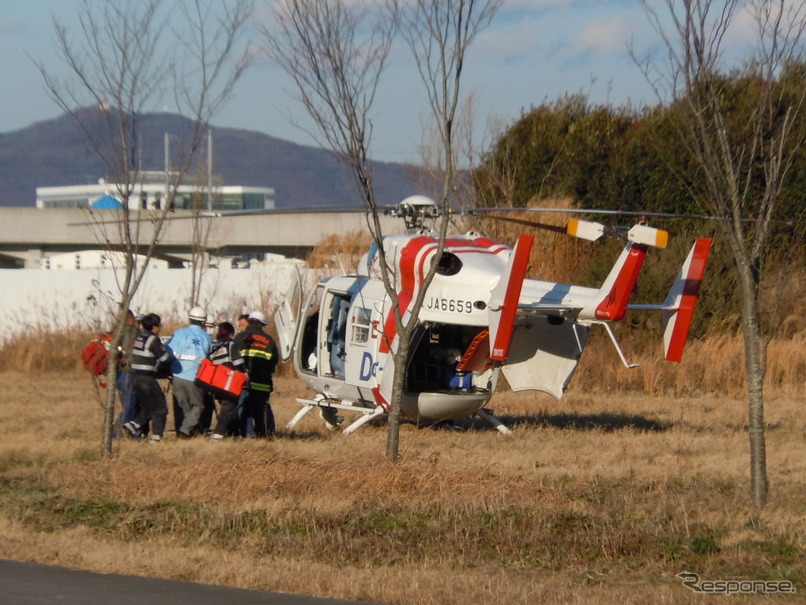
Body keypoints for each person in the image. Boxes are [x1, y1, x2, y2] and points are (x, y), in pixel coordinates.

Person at [123, 313, 172, 443]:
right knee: (161, 409)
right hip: (146, 378)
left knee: (148, 407)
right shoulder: (152, 339)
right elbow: (164, 358)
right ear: (155, 327)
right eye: (159, 326)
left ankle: (131, 426)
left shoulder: (138, 337)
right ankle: (156, 438)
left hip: (134, 376)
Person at [166, 306, 212, 438]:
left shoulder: (179, 333)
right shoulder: (207, 338)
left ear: (190, 319)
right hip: (196, 377)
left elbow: (169, 352)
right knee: (198, 406)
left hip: (178, 375)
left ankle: (183, 432)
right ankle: (185, 431)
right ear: (203, 322)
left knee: (182, 407)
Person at [234, 310, 279, 438]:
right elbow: (274, 360)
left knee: (245, 410)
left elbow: (233, 358)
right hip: (262, 383)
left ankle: (246, 435)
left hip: (244, 382)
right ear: (261, 324)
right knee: (261, 411)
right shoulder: (269, 340)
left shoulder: (239, 337)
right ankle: (264, 435)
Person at [208, 322, 245, 439]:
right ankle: (218, 434)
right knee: (228, 407)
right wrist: (245, 372)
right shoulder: (231, 345)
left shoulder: (213, 346)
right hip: (228, 382)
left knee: (228, 407)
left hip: (215, 382)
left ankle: (234, 433)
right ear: (231, 333)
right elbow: (238, 363)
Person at [116, 309, 140, 427]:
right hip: (130, 372)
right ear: (130, 319)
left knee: (126, 404)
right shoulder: (133, 332)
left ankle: (132, 432)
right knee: (130, 406)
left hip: (119, 374)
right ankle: (118, 432)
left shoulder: (115, 333)